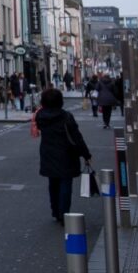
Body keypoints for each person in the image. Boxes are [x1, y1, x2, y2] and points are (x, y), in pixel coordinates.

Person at [36, 88, 92, 224]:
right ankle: (64, 213)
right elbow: (77, 137)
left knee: (53, 183)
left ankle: (55, 210)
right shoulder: (66, 117)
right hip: (67, 154)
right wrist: (86, 154)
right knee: (65, 184)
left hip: (48, 153)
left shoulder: (40, 116)